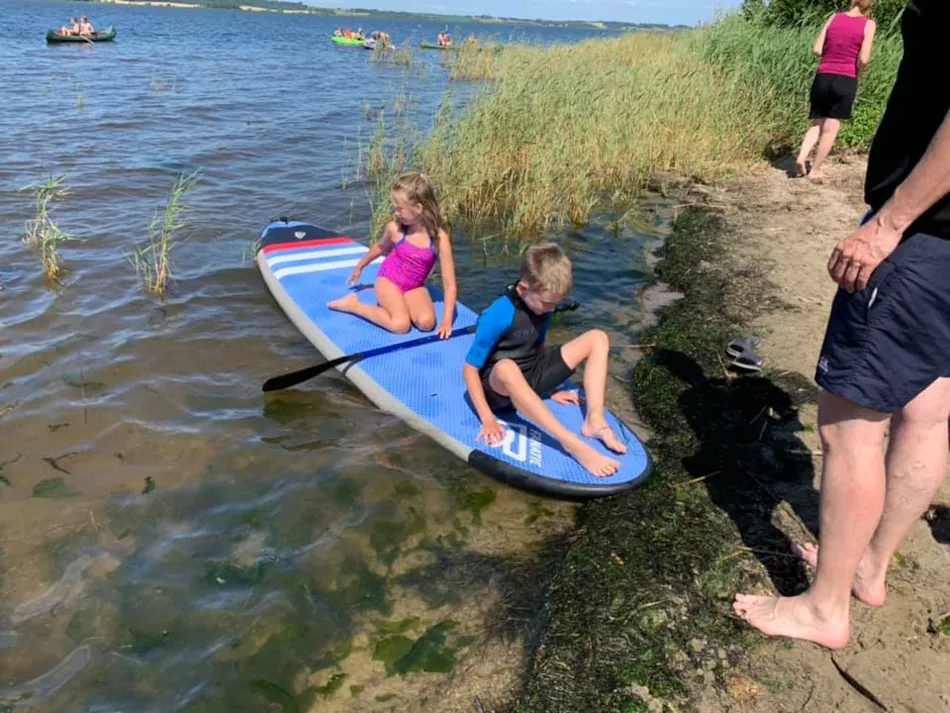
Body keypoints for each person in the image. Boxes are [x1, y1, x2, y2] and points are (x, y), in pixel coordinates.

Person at [734, 0, 950, 649]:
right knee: (929, 407)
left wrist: (888, 223)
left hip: (920, 232)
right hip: (939, 243)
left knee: (849, 426)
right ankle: (868, 567)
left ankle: (825, 608)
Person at [462, 243, 628, 477]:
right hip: (498, 390)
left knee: (597, 338)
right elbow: (470, 369)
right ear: (523, 288)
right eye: (547, 303)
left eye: (556, 303)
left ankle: (595, 421)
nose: (552, 309)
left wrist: (549, 388)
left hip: (531, 376)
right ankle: (570, 443)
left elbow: (536, 348)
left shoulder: (544, 306)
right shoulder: (499, 313)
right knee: (507, 368)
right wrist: (487, 418)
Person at [328, 172, 457, 337]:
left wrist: (446, 320)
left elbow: (449, 284)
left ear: (418, 208)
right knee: (400, 325)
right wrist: (361, 265)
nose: (396, 212)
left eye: (400, 208)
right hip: (389, 281)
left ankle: (400, 305)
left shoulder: (439, 238)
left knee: (427, 323)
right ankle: (354, 305)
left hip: (414, 287)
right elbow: (380, 247)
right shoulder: (395, 229)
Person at [795, 0, 877, 182]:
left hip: (823, 75)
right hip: (846, 78)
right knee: (832, 127)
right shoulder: (868, 24)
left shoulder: (834, 18)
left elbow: (817, 49)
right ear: (869, 5)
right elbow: (864, 59)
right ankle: (815, 170)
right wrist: (856, 67)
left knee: (817, 122)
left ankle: (801, 157)